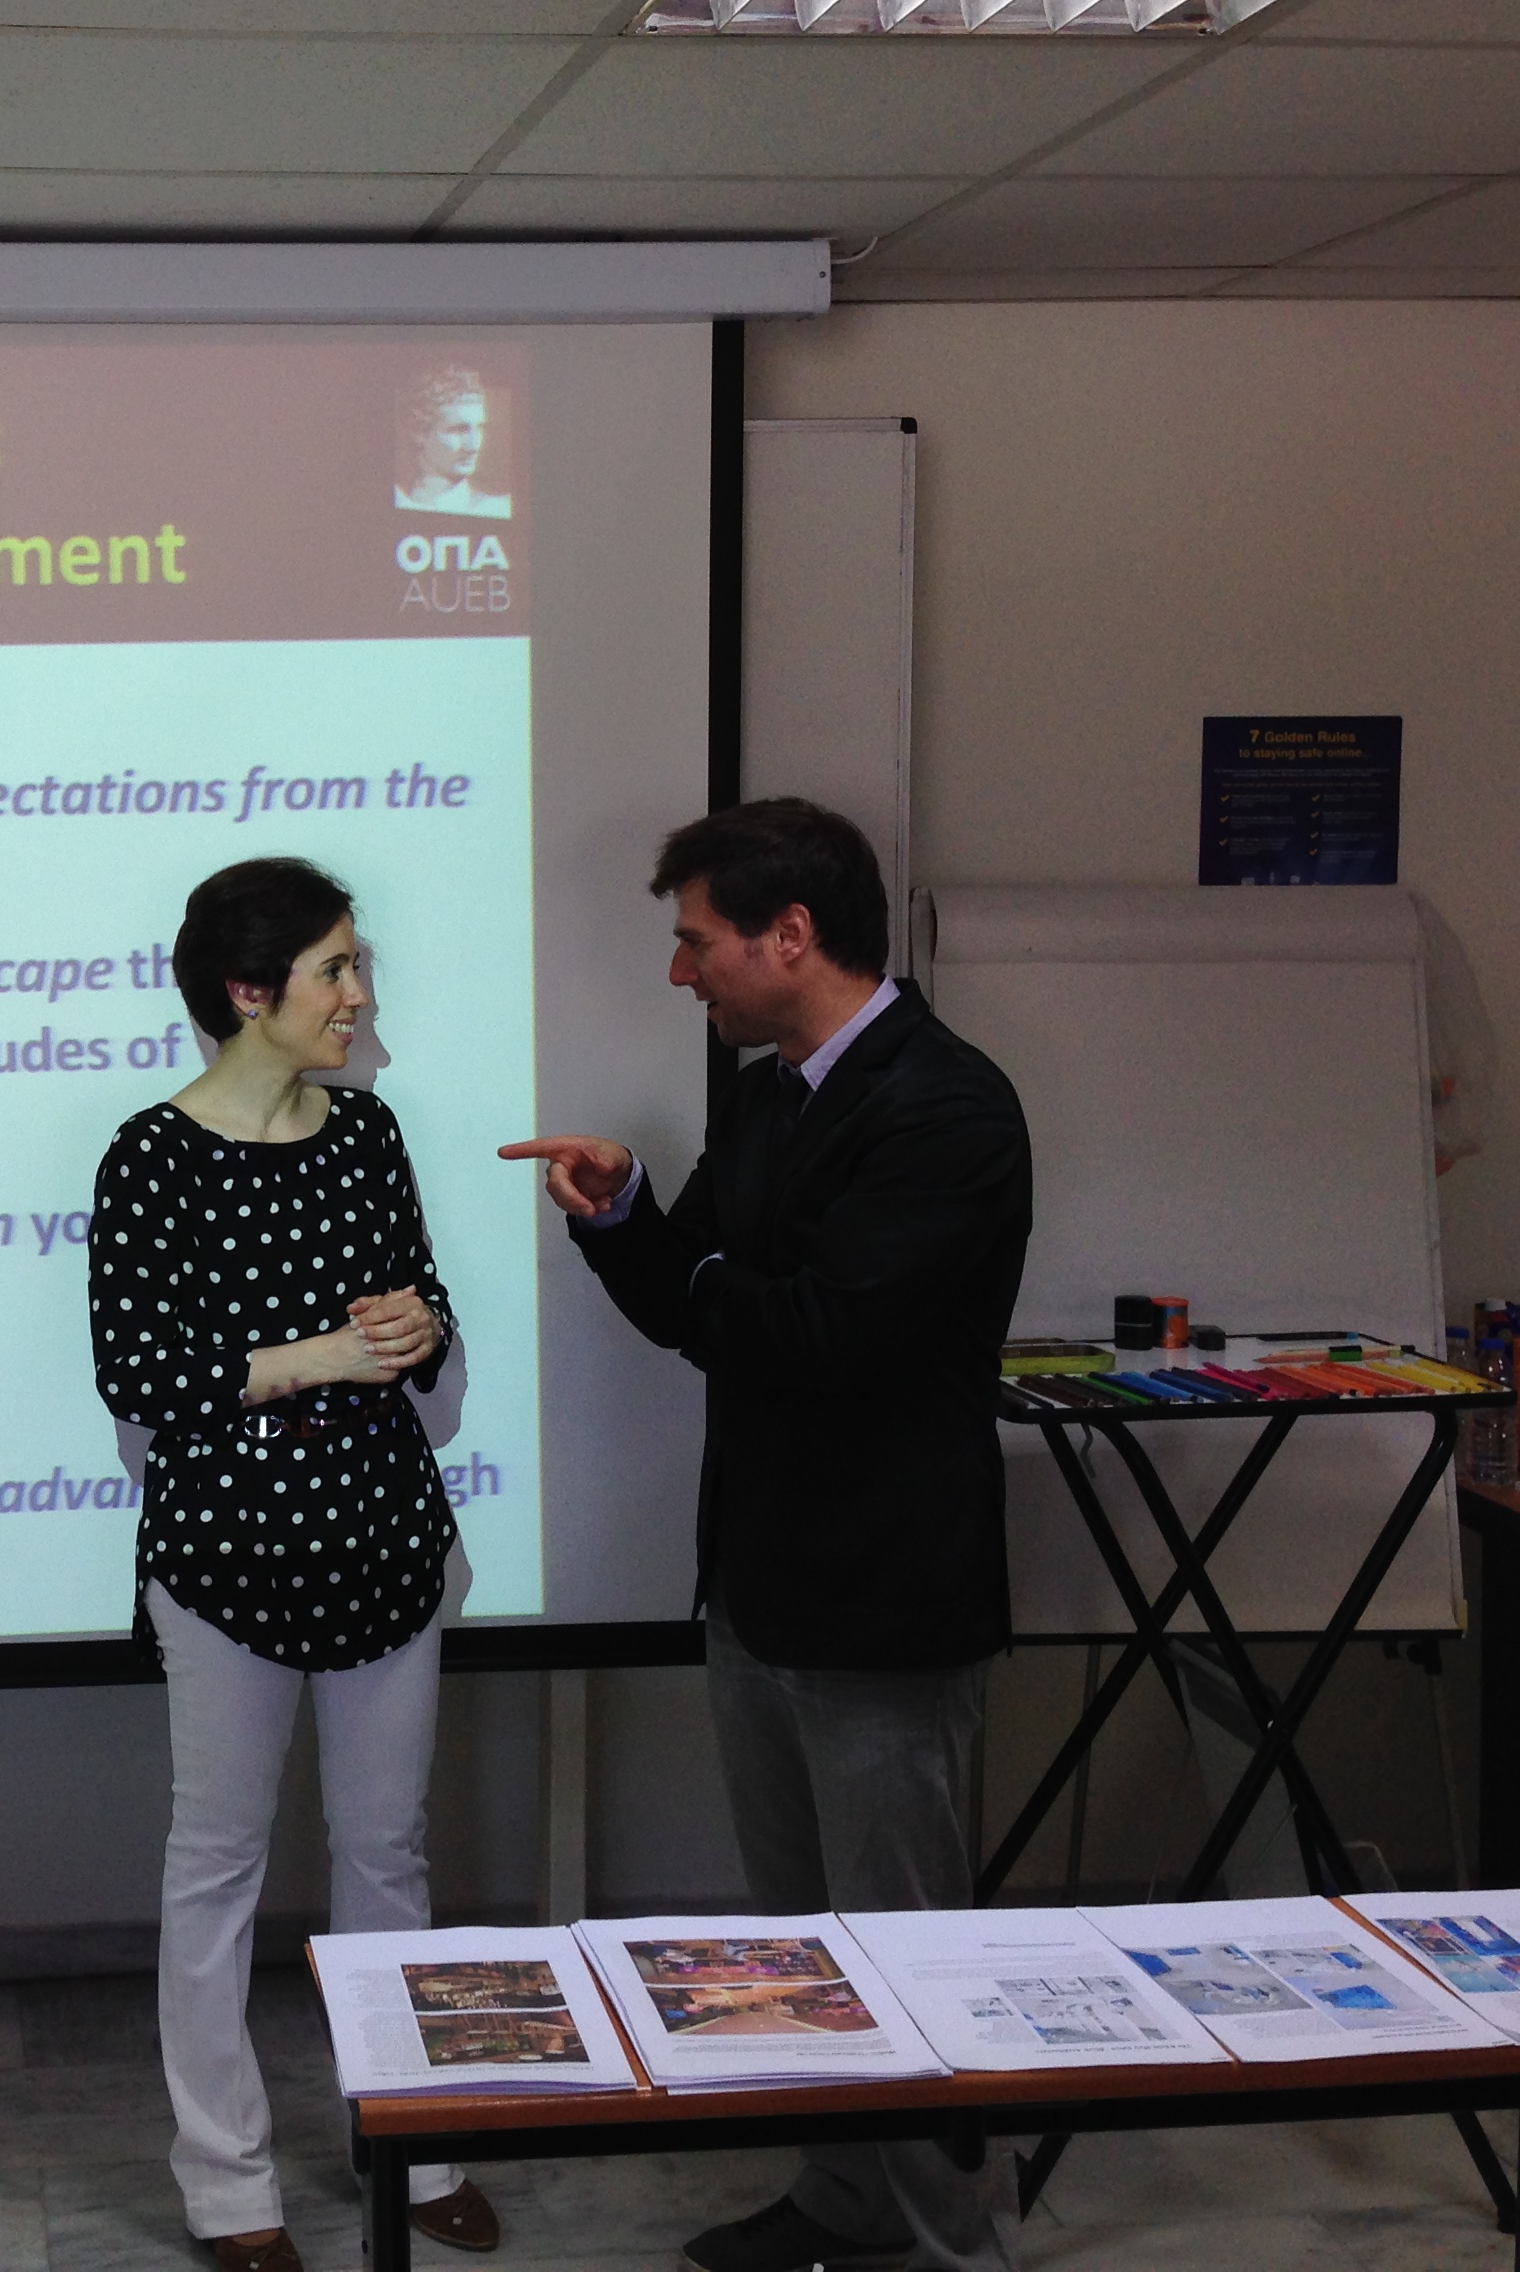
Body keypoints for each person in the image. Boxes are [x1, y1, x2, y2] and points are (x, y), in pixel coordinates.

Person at [501, 799, 1032, 2272]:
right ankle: (847, 2203)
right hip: (758, 1586)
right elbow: (702, 1302)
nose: (682, 973)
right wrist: (625, 1218)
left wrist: (715, 1287)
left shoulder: (948, 1106)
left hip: (885, 1603)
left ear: (790, 935)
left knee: (905, 1953)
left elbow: (821, 1336)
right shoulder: (764, 1098)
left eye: (698, 941)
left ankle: (949, 2248)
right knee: (805, 1947)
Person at [91, 857, 503, 2272]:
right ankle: (229, 2188)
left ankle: (415, 2142)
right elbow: (139, 1370)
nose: (359, 995)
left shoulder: (366, 1132)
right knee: (218, 1868)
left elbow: (423, 1300)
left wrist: (420, 1328)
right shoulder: (152, 1156)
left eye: (357, 965)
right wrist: (322, 1355)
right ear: (248, 992)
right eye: (336, 969)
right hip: (225, 1565)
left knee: (389, 1853)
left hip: (383, 1544)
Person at [393, 365, 512, 518]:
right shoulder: (397, 504)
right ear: (419, 432)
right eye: (459, 430)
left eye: (480, 428)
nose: (474, 446)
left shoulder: (500, 509)